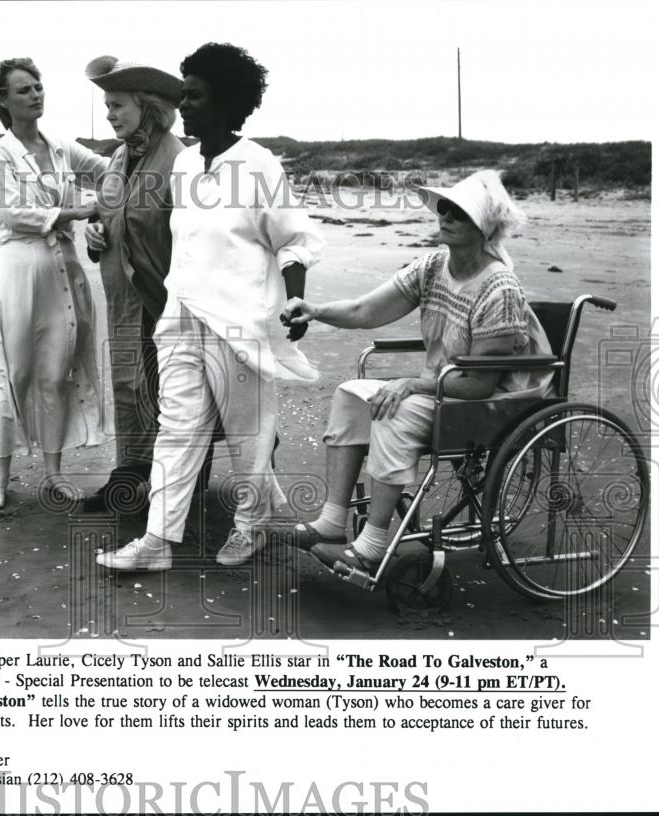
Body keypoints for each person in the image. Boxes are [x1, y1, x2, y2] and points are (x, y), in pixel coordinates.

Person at [96, 43, 323, 571]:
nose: (185, 104)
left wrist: (295, 298)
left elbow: (294, 240)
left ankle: (251, 527)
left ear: (226, 101)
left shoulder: (259, 165)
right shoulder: (184, 166)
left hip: (240, 323)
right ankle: (156, 541)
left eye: (194, 96)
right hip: (182, 318)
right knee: (175, 430)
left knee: (248, 434)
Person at [281, 169, 553, 575]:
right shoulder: (432, 267)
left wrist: (411, 384)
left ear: (483, 227)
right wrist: (315, 311)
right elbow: (365, 310)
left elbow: (480, 383)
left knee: (396, 409)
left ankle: (372, 545)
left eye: (457, 212)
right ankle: (333, 522)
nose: (444, 216)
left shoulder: (500, 288)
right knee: (352, 394)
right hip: (443, 389)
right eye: (443, 207)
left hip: (491, 401)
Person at [0, 58, 108, 508]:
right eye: (23, 90)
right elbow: (12, 212)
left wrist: (155, 148)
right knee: (12, 371)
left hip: (63, 266)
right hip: (20, 266)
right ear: (3, 99)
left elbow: (110, 169)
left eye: (38, 87)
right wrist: (77, 212)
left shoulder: (61, 147)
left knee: (57, 370)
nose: (35, 95)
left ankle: (54, 472)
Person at [78, 56, 187, 514]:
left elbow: (193, 240)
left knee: (173, 393)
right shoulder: (120, 157)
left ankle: (177, 481)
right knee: (129, 389)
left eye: (117, 104)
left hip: (164, 301)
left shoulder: (179, 160)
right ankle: (130, 479)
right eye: (106, 105)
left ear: (147, 106)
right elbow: (108, 218)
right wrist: (94, 236)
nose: (108, 114)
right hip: (123, 299)